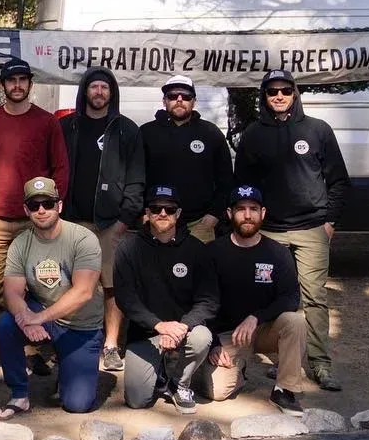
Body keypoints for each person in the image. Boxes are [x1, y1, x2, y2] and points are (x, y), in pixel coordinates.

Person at [233, 69, 349, 391]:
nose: (279, 96)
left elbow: (338, 181)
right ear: (265, 97)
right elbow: (242, 186)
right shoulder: (253, 135)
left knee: (314, 298)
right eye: (273, 92)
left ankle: (320, 365)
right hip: (270, 232)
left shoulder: (317, 130)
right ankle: (287, 361)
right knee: (273, 298)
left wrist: (329, 222)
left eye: (285, 90)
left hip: (312, 229)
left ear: (295, 93)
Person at [0, 177, 105, 418]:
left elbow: (83, 292)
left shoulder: (83, 239)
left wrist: (38, 318)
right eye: (34, 205)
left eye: (48, 204)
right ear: (26, 210)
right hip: (42, 311)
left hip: (80, 325)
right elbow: (12, 291)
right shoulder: (21, 243)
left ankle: (67, 370)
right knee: (6, 325)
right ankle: (19, 394)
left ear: (59, 206)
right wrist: (25, 319)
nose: (41, 210)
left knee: (77, 404)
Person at [0, 57, 69, 361]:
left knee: (38, 287)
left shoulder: (47, 122)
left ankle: (33, 349)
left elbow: (60, 167)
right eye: (11, 80)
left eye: (22, 80)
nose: (16, 86)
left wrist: (53, 208)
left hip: (36, 219)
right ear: (2, 85)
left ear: (30, 83)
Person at [59, 68, 144, 374]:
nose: (98, 92)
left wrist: (124, 220)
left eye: (104, 88)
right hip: (71, 223)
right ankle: (71, 340)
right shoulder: (67, 126)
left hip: (110, 224)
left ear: (112, 93)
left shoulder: (126, 130)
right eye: (93, 87)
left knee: (110, 286)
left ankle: (110, 345)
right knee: (71, 285)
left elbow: (136, 180)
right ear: (84, 91)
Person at [197, 185, 310, 416]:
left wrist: (256, 317)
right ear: (229, 214)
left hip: (264, 329)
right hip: (228, 335)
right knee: (216, 391)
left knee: (295, 321)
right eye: (241, 209)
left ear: (263, 213)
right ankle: (238, 368)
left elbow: (291, 297)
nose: (247, 215)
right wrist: (214, 345)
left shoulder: (278, 252)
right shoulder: (212, 252)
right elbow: (200, 302)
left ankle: (284, 391)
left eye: (253, 209)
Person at [112, 185, 216, 414]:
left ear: (178, 214)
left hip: (184, 330)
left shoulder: (197, 250)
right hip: (146, 334)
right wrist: (159, 326)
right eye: (156, 208)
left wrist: (182, 327)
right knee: (138, 400)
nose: (162, 214)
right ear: (147, 213)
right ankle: (159, 374)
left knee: (202, 337)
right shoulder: (128, 249)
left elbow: (209, 301)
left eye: (169, 210)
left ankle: (180, 383)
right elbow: (125, 298)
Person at [139, 75, 233, 245]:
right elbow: (134, 178)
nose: (179, 100)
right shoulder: (146, 133)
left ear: (194, 101)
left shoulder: (211, 133)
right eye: (173, 96)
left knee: (201, 272)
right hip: (156, 222)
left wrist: (213, 216)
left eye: (186, 96)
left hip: (199, 226)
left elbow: (225, 180)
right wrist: (142, 213)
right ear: (164, 101)